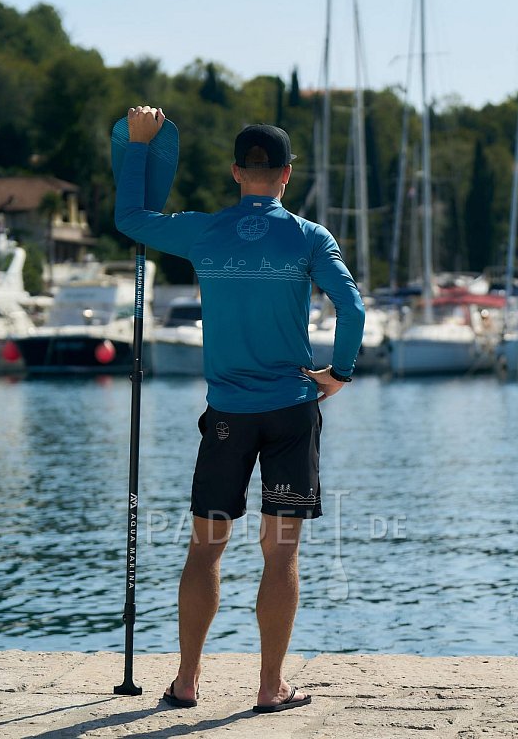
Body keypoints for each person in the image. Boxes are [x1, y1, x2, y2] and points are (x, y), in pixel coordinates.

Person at [115, 106, 365, 713]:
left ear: (235, 172)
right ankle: (269, 688)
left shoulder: (204, 232)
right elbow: (352, 310)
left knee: (205, 548)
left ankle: (187, 682)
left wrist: (137, 148)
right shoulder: (309, 236)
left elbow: (131, 218)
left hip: (226, 415)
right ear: (286, 175)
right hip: (291, 411)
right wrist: (338, 374)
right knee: (281, 553)